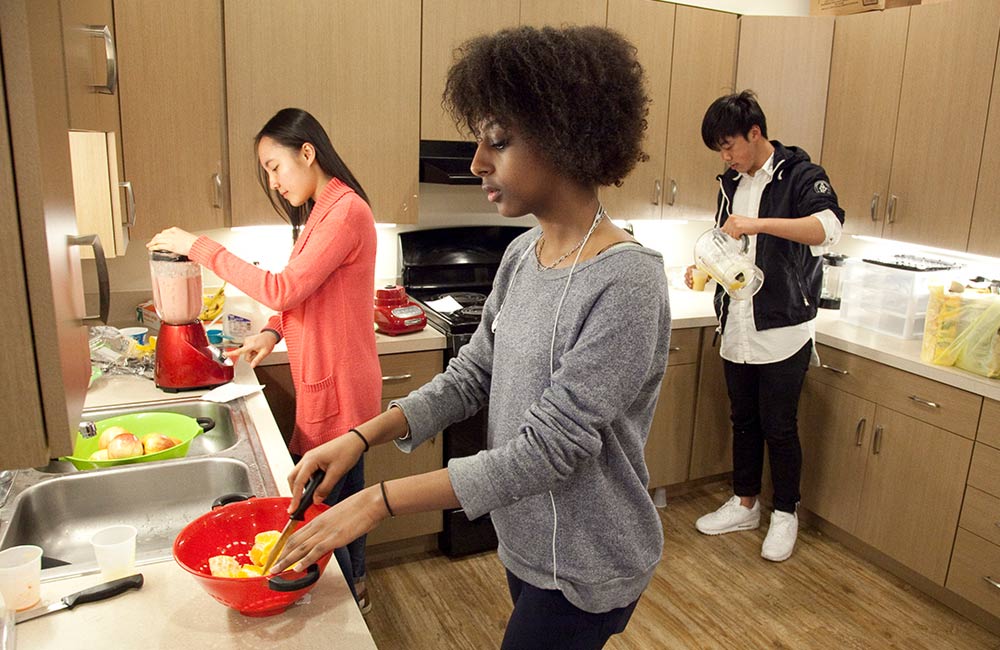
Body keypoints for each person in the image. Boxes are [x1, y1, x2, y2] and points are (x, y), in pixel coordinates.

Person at [267, 26, 671, 649]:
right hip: (526, 541)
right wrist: (360, 436)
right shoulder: (519, 256)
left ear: (566, 138)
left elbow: (545, 452)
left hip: (590, 561)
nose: (477, 162)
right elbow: (469, 379)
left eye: (498, 142)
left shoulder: (628, 283)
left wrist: (378, 500)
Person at [146, 107, 381, 610]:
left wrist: (199, 247)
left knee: (336, 499)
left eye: (274, 167)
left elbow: (283, 285)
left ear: (307, 152)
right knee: (329, 494)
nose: (273, 182)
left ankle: (353, 592)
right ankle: (348, 583)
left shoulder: (347, 212)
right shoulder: (322, 213)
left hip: (342, 385)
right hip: (328, 377)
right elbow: (307, 294)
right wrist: (272, 333)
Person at [686, 90, 844, 562]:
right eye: (720, 149)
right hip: (736, 322)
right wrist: (705, 270)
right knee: (744, 421)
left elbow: (827, 229)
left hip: (783, 327)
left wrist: (758, 224)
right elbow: (728, 245)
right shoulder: (730, 182)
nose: (726, 156)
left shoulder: (802, 175)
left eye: (730, 145)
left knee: (780, 426)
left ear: (755, 133)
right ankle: (744, 503)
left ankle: (785, 514)